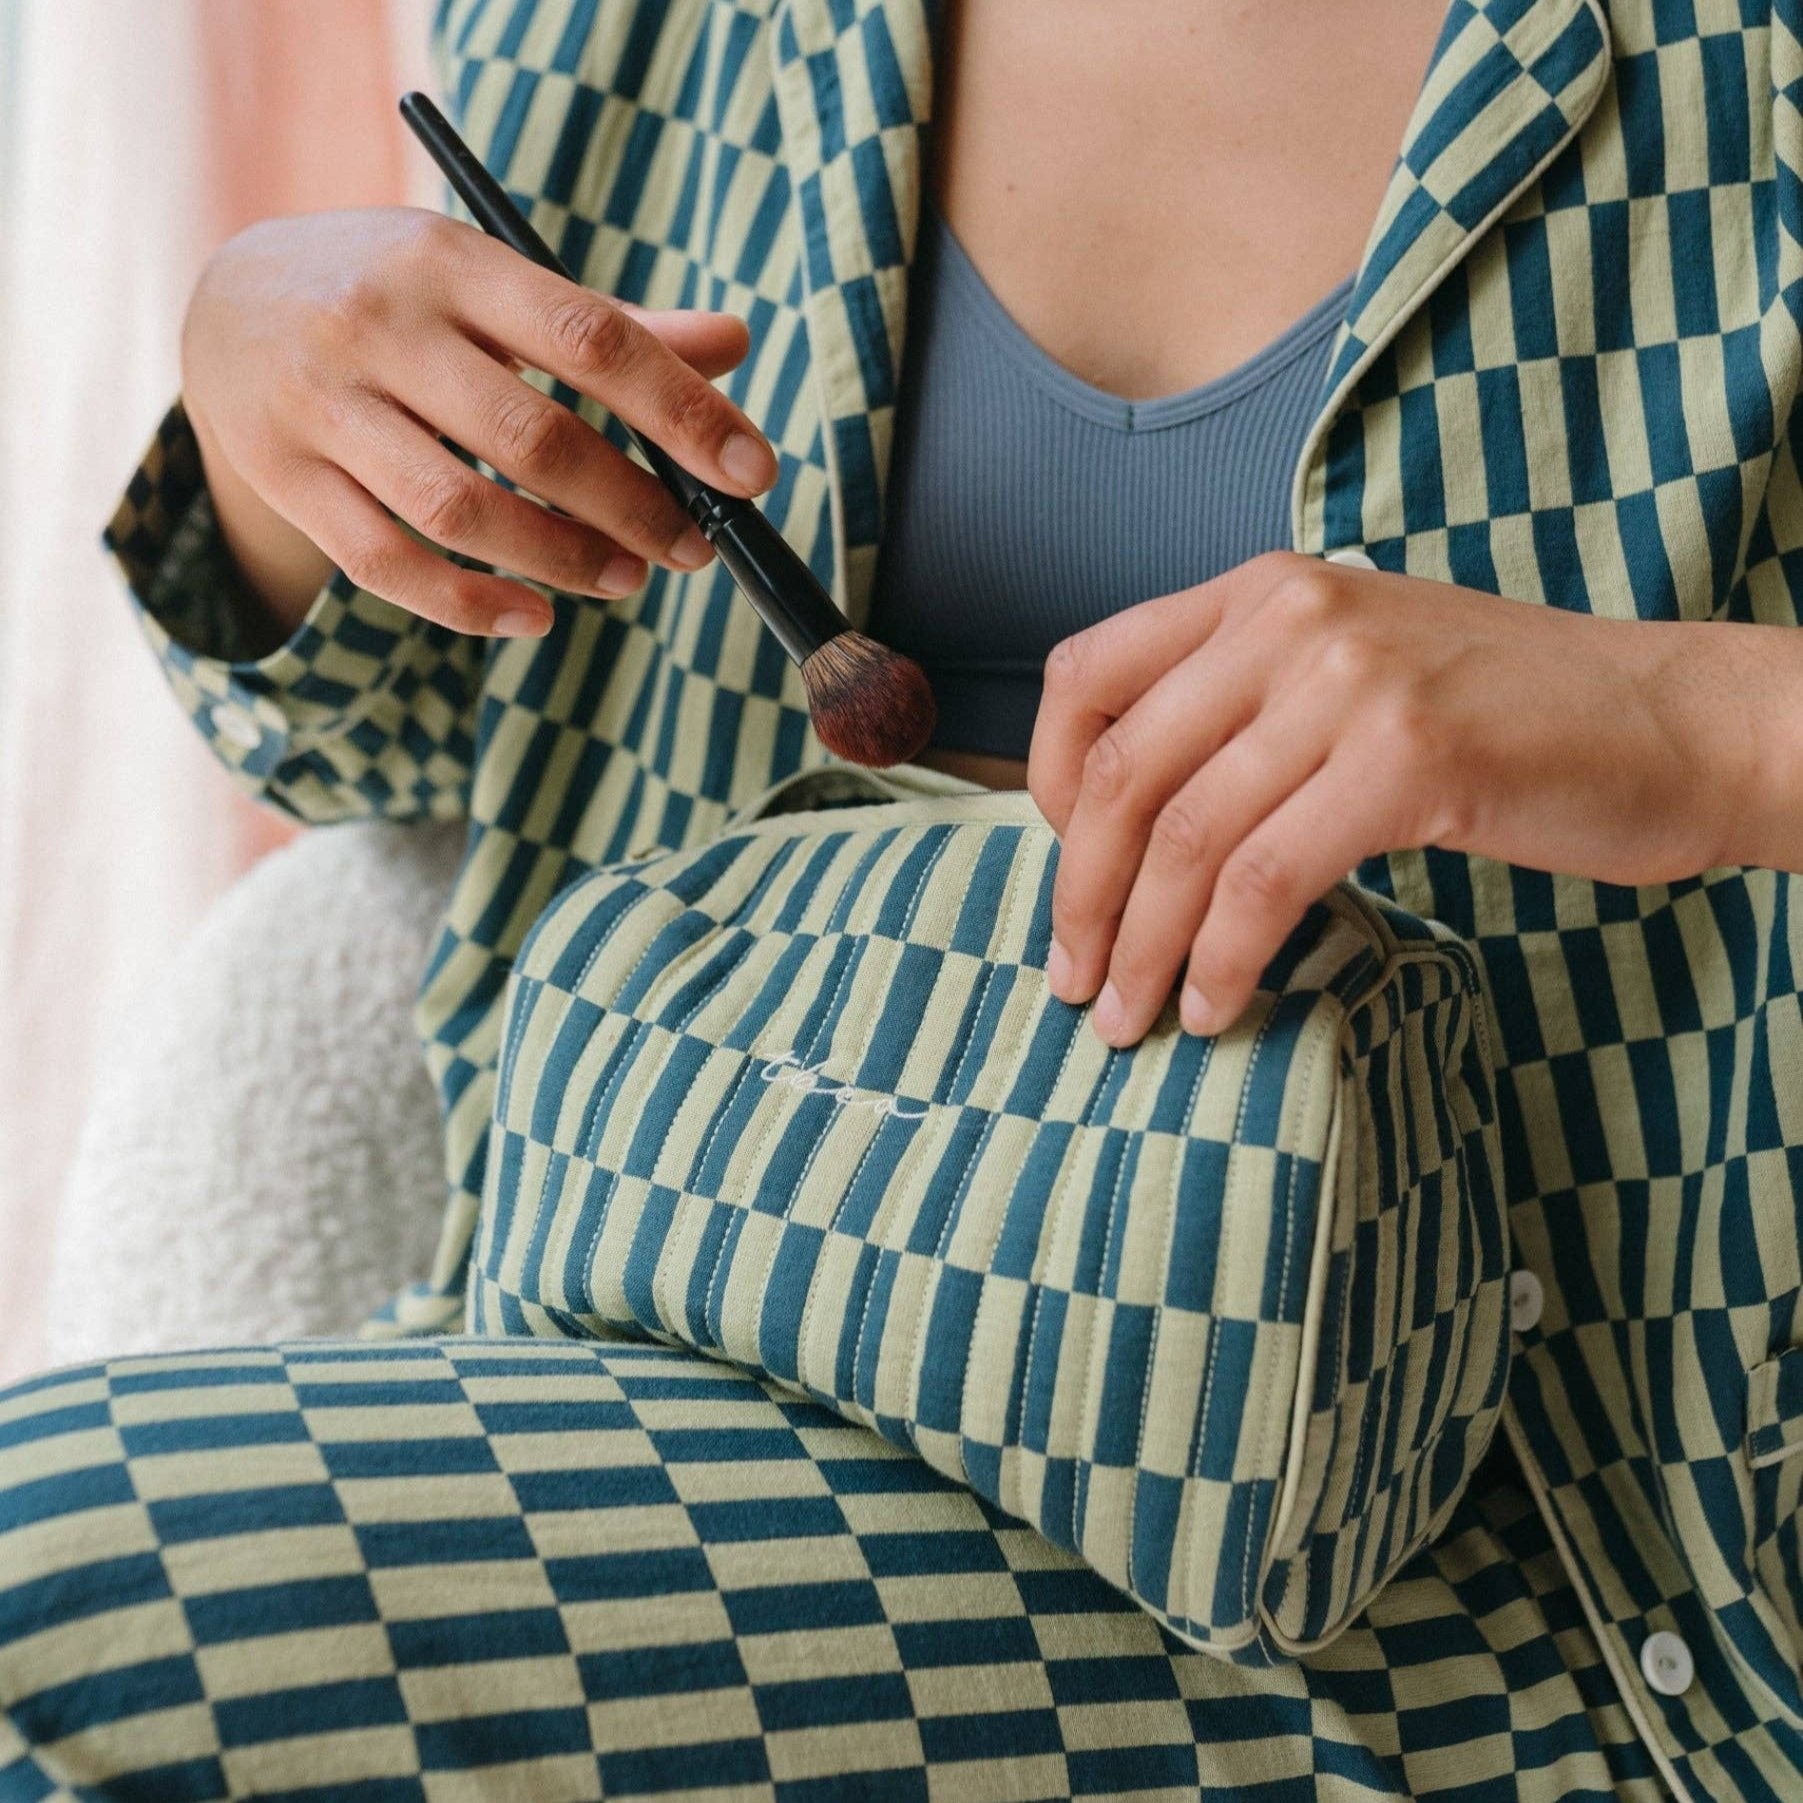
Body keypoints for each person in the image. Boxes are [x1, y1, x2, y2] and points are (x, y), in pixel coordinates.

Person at [0, 0, 1797, 1796]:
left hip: (1565, 1553)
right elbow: (365, 752)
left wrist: (1690, 725)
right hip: (667, 1355)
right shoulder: (613, 31)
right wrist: (266, 388)